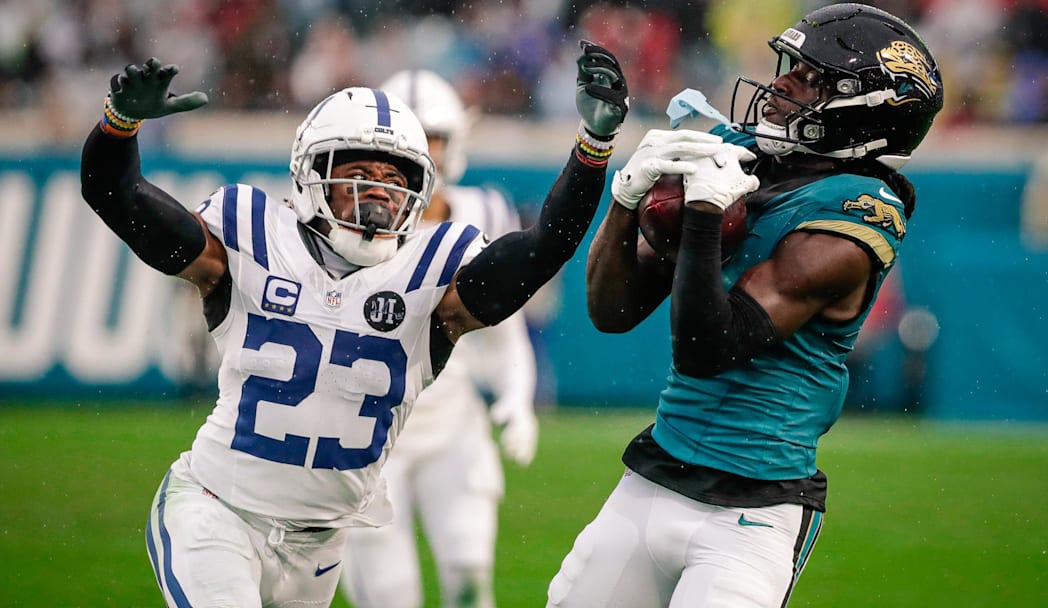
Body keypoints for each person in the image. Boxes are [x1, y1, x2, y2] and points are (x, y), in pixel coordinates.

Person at [79, 41, 628, 607]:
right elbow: (117, 195)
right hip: (218, 511)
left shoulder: (433, 276)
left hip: (320, 548)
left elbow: (547, 246)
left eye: (396, 176)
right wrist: (119, 126)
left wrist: (593, 147)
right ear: (313, 172)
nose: (381, 192)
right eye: (360, 173)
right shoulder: (249, 238)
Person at [548, 5, 943, 608]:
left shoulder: (858, 213)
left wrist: (704, 214)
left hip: (753, 509)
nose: (780, 83)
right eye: (791, 66)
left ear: (865, 113)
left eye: (810, 77)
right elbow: (613, 310)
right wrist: (624, 200)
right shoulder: (740, 154)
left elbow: (710, 349)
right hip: (652, 477)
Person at [340, 69, 538, 608]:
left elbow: (505, 327)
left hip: (452, 421)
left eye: (434, 139)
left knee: (471, 579)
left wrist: (516, 396)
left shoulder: (484, 210)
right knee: (388, 595)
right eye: (413, 140)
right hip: (369, 432)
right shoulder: (346, 222)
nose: (424, 154)